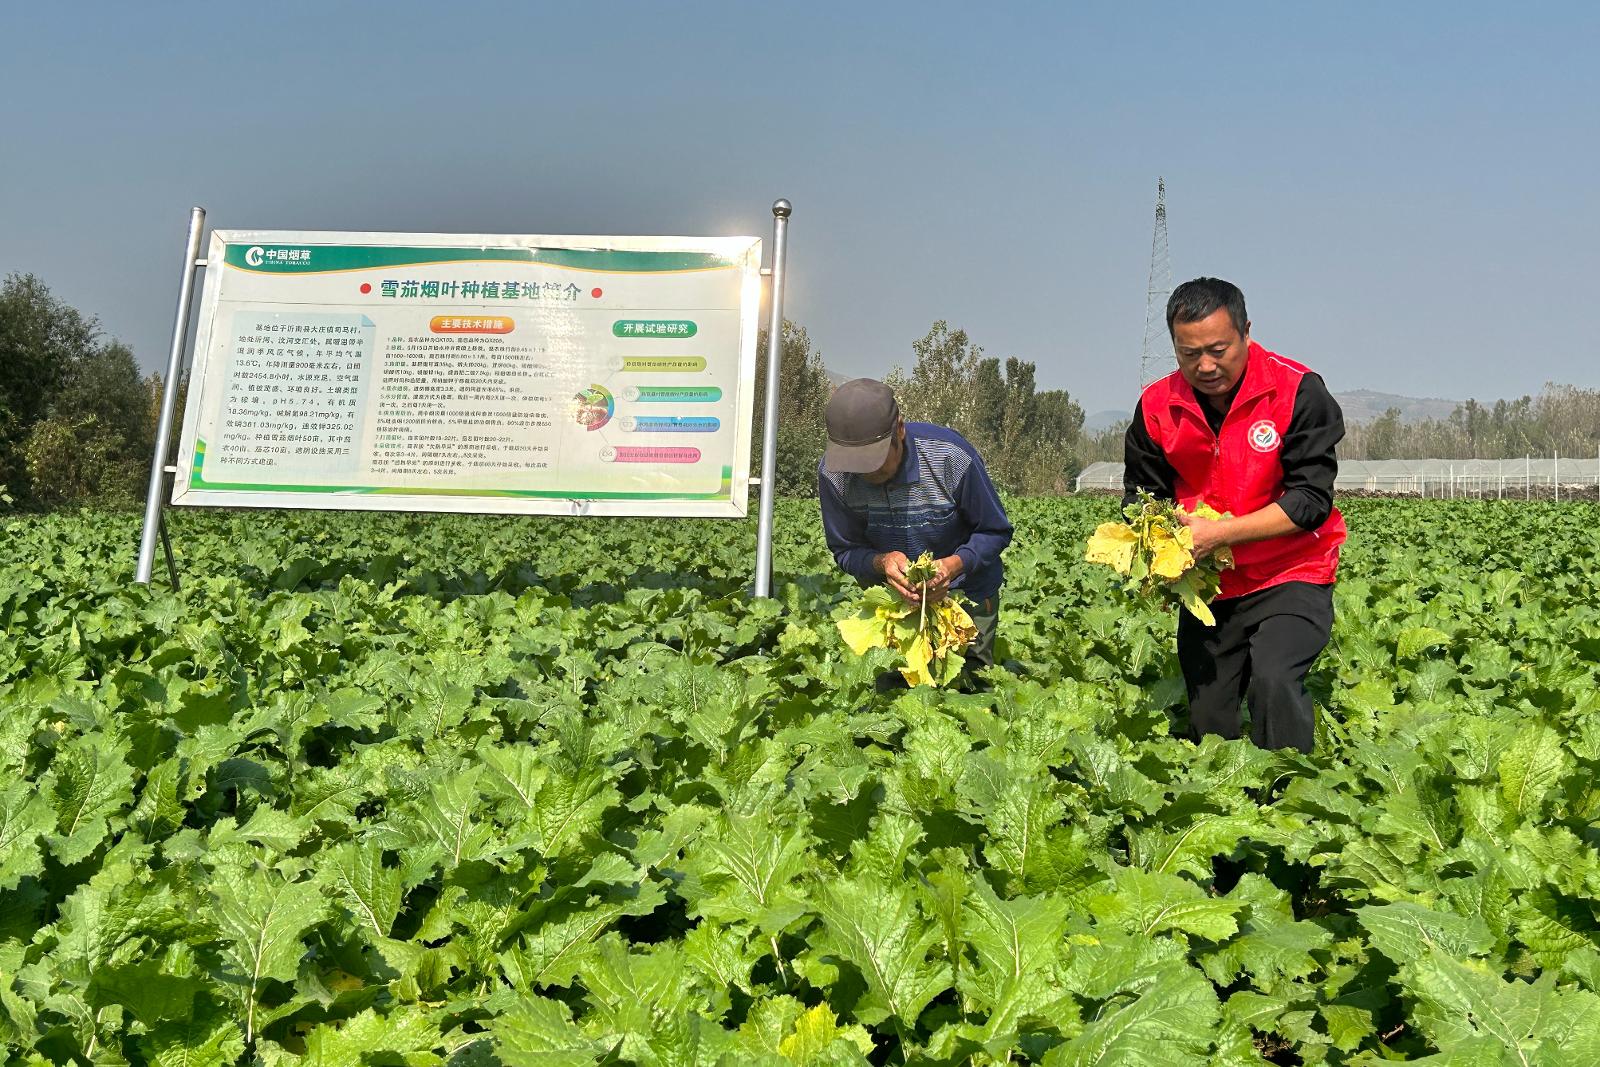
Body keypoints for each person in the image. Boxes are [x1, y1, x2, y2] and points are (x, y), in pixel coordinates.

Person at [1124, 277, 1345, 753]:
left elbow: (1310, 501)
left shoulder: (1297, 391)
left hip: (1293, 571)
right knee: (1209, 714)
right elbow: (1142, 497)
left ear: (1246, 332)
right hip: (1211, 585)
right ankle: (1224, 806)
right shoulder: (1157, 407)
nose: (1205, 366)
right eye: (1188, 354)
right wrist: (1161, 557)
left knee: (1274, 679)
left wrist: (1221, 534)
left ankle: (1292, 801)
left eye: (1219, 349)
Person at [819, 378, 1013, 680]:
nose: (868, 473)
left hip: (968, 599)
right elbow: (845, 549)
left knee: (968, 693)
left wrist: (951, 566)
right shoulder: (834, 475)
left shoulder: (950, 456)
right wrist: (881, 563)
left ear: (899, 429)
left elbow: (995, 531)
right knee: (891, 702)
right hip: (893, 606)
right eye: (856, 464)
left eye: (876, 460)